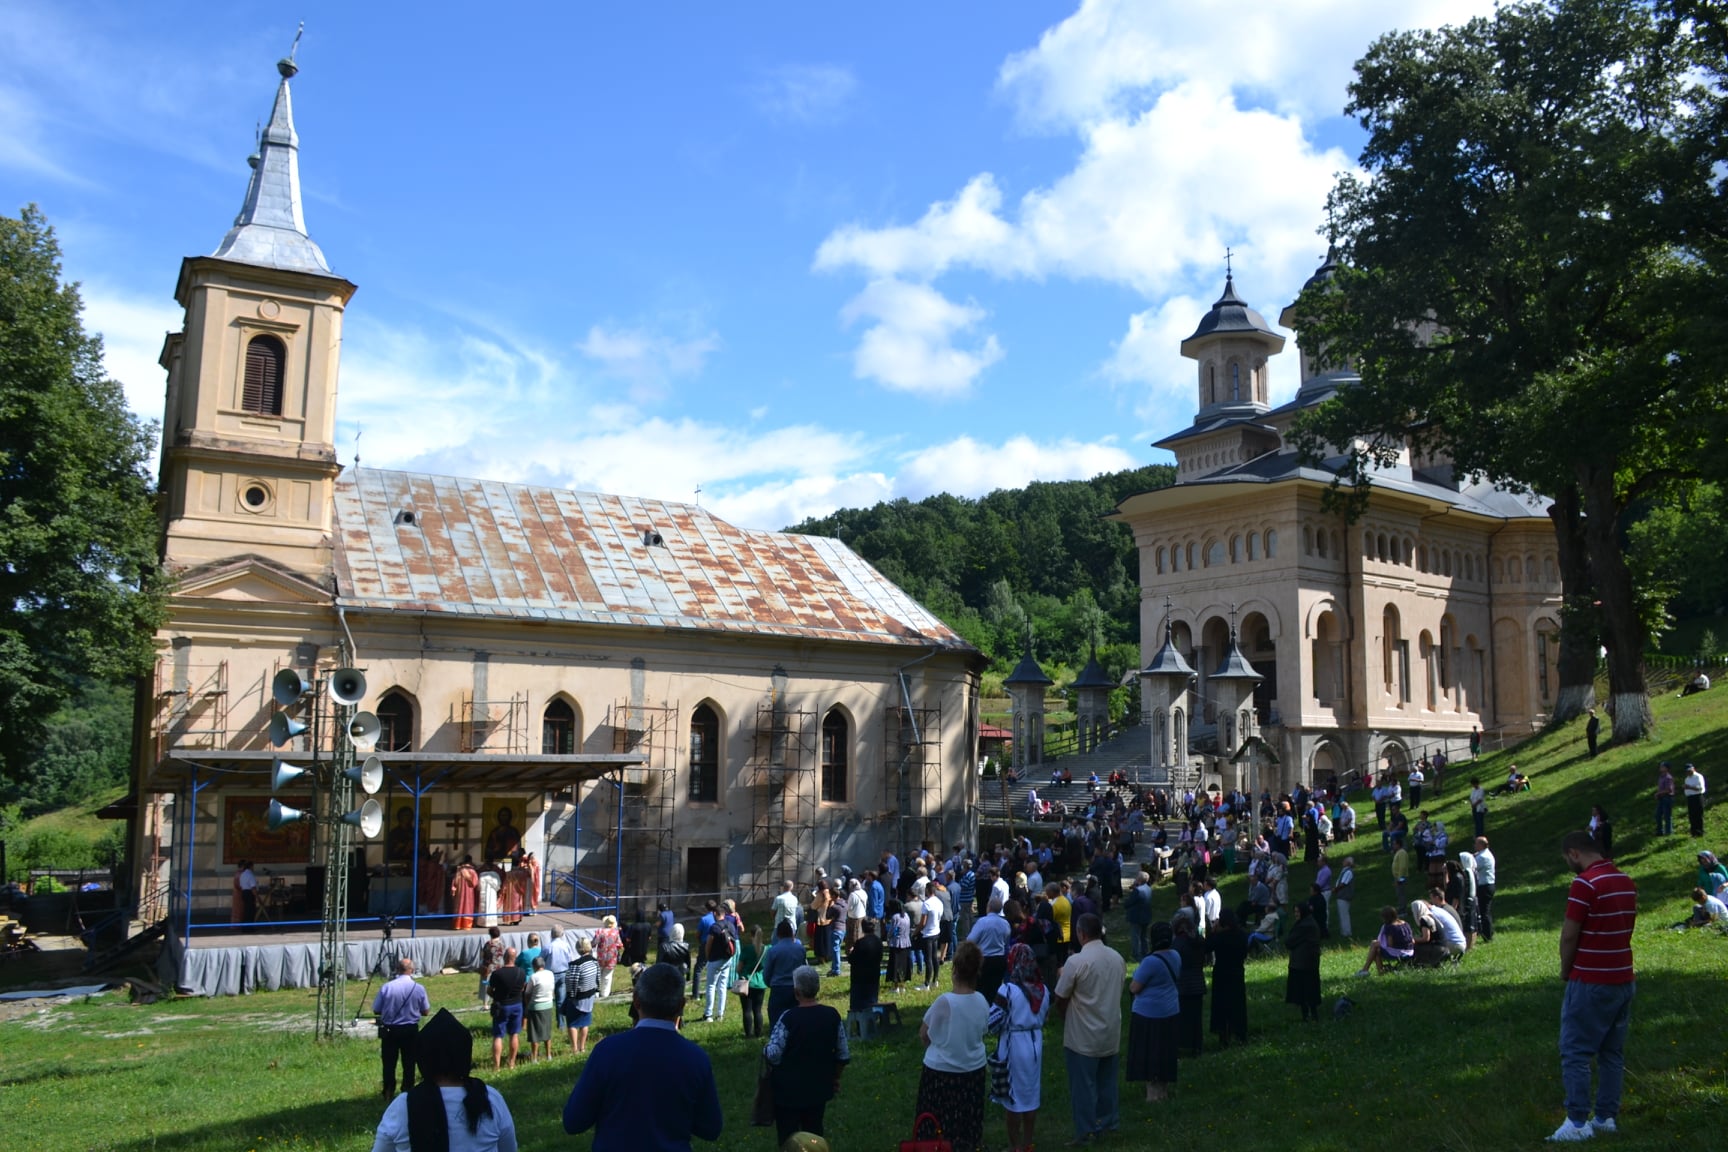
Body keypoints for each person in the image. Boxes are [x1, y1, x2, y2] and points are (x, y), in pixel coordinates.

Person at [563, 962, 723, 1152]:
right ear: (681, 1006)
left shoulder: (607, 1051)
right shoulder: (696, 1058)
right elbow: (711, 1128)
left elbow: (574, 1121)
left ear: (636, 1001)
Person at [1549, 829, 1638, 1142]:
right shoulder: (1625, 881)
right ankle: (1605, 1118)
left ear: (1574, 853)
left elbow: (1569, 935)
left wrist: (1566, 970)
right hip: (1622, 977)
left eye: (1567, 859)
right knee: (1611, 1052)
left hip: (1591, 978)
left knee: (1575, 1051)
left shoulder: (1585, 883)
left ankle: (1576, 1122)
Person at [370, 1008, 517, 1152]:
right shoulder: (490, 1099)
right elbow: (508, 1148)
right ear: (465, 1055)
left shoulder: (403, 1106)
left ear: (423, 1058)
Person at [1054, 913, 1125, 1143]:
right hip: (1110, 1029)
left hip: (1083, 1035)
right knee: (1107, 1083)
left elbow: (1060, 997)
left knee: (1083, 1087)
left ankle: (1085, 1131)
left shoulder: (1076, 962)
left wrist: (1064, 1016)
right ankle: (1108, 1123)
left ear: (1081, 933)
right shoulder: (1117, 958)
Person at [917, 940, 990, 1152]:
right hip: (973, 1069)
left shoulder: (945, 1001)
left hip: (942, 1071)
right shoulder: (982, 1001)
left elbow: (924, 1033)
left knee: (936, 1126)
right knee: (967, 1125)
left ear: (955, 969)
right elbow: (983, 1030)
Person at [764, 966, 849, 1145]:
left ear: (796, 992)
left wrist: (765, 1049)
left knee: (788, 1138)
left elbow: (773, 1054)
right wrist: (835, 1077)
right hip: (819, 1087)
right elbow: (843, 1054)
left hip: (788, 1091)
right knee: (814, 1134)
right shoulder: (832, 1015)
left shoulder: (788, 1018)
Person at [988, 942, 1049, 1152]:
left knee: (1013, 1098)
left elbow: (992, 1022)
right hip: (1035, 1043)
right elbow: (1045, 1016)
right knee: (1031, 1094)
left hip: (1014, 1044)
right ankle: (1028, 1142)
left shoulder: (1008, 990)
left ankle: (1015, 1146)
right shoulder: (1043, 990)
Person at [1127, 922, 1181, 1103]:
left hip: (1148, 1014)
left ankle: (1152, 1094)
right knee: (1165, 1052)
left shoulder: (1150, 962)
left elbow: (1134, 987)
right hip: (1170, 1010)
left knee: (1150, 1053)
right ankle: (1163, 1090)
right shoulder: (1175, 956)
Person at [373, 956, 431, 1097]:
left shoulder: (387, 987)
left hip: (390, 1030)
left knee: (389, 1063)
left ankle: (388, 1090)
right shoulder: (418, 988)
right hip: (410, 1029)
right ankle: (408, 1089)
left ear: (397, 969)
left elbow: (376, 1009)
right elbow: (425, 1011)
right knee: (409, 1062)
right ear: (412, 970)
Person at [487, 946, 526, 1070]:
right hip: (517, 1005)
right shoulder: (521, 972)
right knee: (514, 1034)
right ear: (515, 958)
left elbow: (489, 990)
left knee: (498, 1035)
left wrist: (496, 996)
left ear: (504, 957)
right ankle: (512, 1063)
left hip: (502, 1005)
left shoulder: (497, 974)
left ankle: (496, 1066)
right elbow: (522, 988)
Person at [762, 919, 806, 1028]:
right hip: (796, 987)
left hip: (778, 988)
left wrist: (770, 983)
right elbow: (804, 968)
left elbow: (767, 973)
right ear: (791, 933)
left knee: (776, 1021)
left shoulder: (773, 951)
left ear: (778, 934)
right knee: (796, 1020)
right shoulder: (800, 949)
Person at [1284, 901, 1323, 1021]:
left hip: (1301, 964)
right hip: (1310, 963)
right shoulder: (1310, 922)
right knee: (1311, 991)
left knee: (1303, 992)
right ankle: (1311, 1015)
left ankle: (1307, 1016)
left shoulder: (1304, 925)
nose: (1296, 914)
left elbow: (1289, 942)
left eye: (1298, 911)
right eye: (1295, 911)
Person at [847, 917, 883, 1037]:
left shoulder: (860, 943)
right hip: (873, 976)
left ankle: (860, 1028)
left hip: (859, 978)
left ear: (862, 928)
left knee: (858, 1005)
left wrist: (851, 952)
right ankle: (872, 1025)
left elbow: (852, 959)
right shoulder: (878, 942)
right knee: (872, 1001)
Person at [563, 936, 600, 1054]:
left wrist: (571, 996)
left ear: (578, 949)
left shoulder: (576, 964)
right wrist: (596, 991)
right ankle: (582, 1047)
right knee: (585, 1023)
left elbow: (571, 982)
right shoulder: (594, 961)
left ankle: (574, 1048)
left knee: (572, 1023)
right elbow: (598, 978)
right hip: (590, 996)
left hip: (578, 998)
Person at [700, 905, 736, 1023]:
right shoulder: (730, 925)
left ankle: (708, 1014)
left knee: (711, 986)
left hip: (715, 959)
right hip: (727, 959)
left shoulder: (714, 927)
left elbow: (709, 944)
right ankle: (720, 1014)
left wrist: (707, 957)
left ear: (715, 914)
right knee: (722, 986)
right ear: (724, 914)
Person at [1354, 906, 1416, 975]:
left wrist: (1381, 944)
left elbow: (1390, 944)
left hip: (1398, 952)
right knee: (1376, 948)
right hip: (1410, 951)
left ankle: (1366, 970)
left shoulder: (1390, 927)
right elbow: (1412, 940)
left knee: (1375, 946)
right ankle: (1379, 972)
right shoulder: (1405, 923)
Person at [736, 924, 768, 1037]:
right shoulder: (767, 949)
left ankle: (748, 1034)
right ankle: (758, 1033)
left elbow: (739, 968)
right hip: (760, 982)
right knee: (758, 1010)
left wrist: (741, 973)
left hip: (747, 982)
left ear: (751, 935)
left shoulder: (747, 949)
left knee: (747, 1010)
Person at [524, 955, 557, 1063]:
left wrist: (527, 1005)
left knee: (535, 1034)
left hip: (536, 1006)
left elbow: (527, 993)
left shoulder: (534, 977)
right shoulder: (550, 974)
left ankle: (534, 1058)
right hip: (548, 1005)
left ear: (534, 966)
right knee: (547, 1032)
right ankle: (548, 1055)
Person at [1123, 871, 1153, 960]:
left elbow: (1129, 903)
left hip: (1136, 916)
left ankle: (1136, 954)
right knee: (1144, 935)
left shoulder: (1137, 891)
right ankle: (1145, 951)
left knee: (1135, 936)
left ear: (1139, 879)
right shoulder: (1148, 888)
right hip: (1146, 915)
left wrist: (1132, 891)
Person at [592, 914, 624, 998]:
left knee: (597, 975)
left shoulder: (600, 931)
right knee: (607, 976)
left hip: (600, 957)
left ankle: (596, 993)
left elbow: (594, 943)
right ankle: (605, 994)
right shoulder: (616, 932)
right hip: (611, 958)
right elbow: (619, 945)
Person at [886, 898, 913, 994]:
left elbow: (893, 930)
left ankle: (896, 987)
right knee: (904, 965)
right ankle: (902, 986)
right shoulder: (906, 916)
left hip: (896, 944)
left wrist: (888, 937)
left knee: (895, 965)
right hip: (906, 943)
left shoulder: (895, 917)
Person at [1475, 836, 1498, 942]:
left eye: (1476, 843)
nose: (1474, 845)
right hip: (1489, 885)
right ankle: (1487, 933)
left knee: (1484, 911)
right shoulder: (1486, 854)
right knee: (1485, 911)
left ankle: (1487, 935)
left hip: (1484, 886)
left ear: (1481, 845)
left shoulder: (1482, 857)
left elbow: (1472, 867)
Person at [476, 926, 506, 1004]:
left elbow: (482, 955)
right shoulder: (502, 944)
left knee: (485, 984)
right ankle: (496, 1000)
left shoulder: (488, 944)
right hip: (499, 968)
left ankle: (485, 1003)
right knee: (498, 985)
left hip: (488, 968)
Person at [451, 856, 480, 931]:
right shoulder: (472, 871)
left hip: (459, 892)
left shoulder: (459, 870)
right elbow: (475, 883)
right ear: (470, 861)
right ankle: (466, 925)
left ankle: (458, 924)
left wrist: (454, 890)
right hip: (469, 892)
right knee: (467, 907)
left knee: (459, 906)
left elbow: (455, 882)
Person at [1682, 763, 1707, 837]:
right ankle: (1693, 832)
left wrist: (1689, 787)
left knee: (1698, 814)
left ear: (1693, 769)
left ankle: (1700, 832)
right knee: (1692, 815)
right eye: (1687, 771)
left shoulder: (1698, 777)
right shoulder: (1687, 779)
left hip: (1697, 797)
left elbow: (1700, 788)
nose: (1688, 772)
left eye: (1690, 770)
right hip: (1690, 797)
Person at [1655, 763, 1676, 836]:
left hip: (1667, 798)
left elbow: (1669, 790)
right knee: (1657, 815)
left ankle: (1669, 832)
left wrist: (1658, 793)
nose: (1660, 767)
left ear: (1667, 768)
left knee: (1667, 815)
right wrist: (1658, 794)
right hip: (1661, 798)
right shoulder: (1661, 777)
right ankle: (1659, 831)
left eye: (1662, 767)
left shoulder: (1668, 777)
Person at [234, 860, 257, 927]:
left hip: (244, 893)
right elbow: (253, 887)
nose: (253, 868)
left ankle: (245, 927)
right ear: (250, 866)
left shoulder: (242, 874)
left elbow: (241, 885)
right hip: (249, 893)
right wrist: (257, 896)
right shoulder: (250, 875)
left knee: (246, 910)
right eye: (253, 866)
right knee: (250, 911)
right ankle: (250, 927)